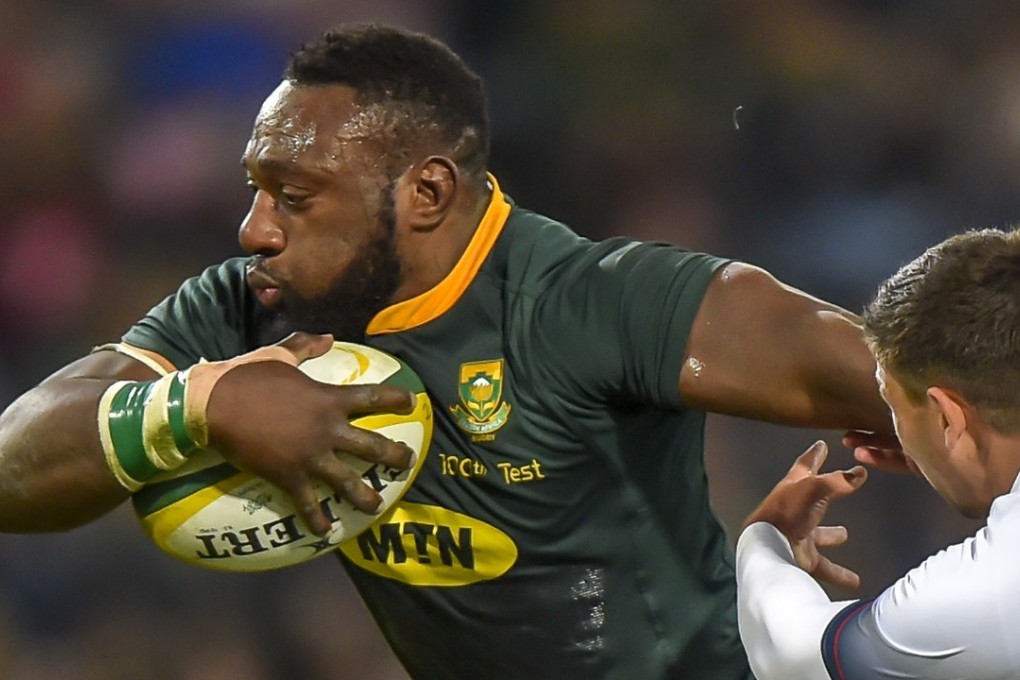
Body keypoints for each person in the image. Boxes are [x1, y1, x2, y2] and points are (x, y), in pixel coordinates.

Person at [0, 23, 901, 680]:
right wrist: (195, 405)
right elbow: (14, 470)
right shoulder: (251, 314)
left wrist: (925, 422)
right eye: (254, 189)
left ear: (425, 191)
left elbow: (917, 381)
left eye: (296, 196)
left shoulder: (589, 303)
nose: (253, 229)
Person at [736, 227, 1020, 679]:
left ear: (949, 417)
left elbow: (792, 655)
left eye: (892, 407)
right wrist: (952, 454)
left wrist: (766, 539)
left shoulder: (999, 585)